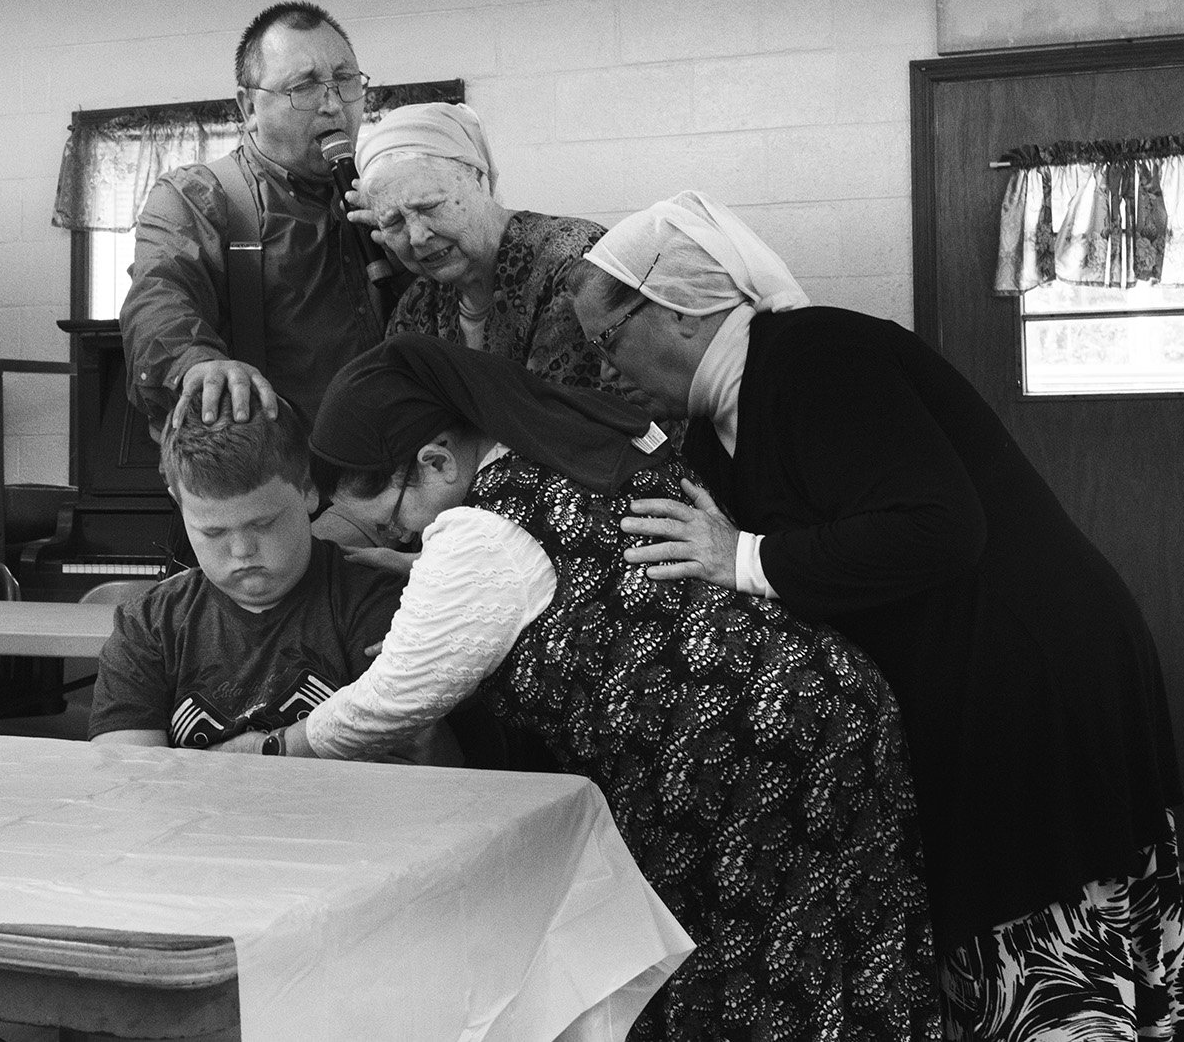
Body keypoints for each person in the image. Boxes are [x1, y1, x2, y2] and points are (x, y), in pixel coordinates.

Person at [572, 191, 1184, 1041]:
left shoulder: (818, 354)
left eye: (606, 341)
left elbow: (939, 527)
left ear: (677, 311)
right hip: (974, 680)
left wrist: (741, 556)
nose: (604, 369)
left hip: (1030, 674)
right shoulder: (718, 423)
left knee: (1053, 965)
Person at [276, 335, 939, 1041]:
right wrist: (422, 574)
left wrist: (273, 746)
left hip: (742, 756)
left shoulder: (478, 534)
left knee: (748, 996)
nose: (405, 537)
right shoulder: (566, 438)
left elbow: (391, 702)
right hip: (831, 701)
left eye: (395, 519)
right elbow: (580, 569)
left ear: (437, 458)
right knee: (851, 972)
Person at [87, 403, 453, 763]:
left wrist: (240, 759)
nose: (242, 550)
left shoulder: (379, 603)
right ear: (179, 505)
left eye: (263, 524)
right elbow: (129, 780)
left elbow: (402, 777)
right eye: (212, 531)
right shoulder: (149, 626)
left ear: (308, 488)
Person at [120, 1, 386, 433]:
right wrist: (196, 364)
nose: (333, 105)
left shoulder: (382, 193)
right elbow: (160, 296)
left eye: (344, 80)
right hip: (273, 479)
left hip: (396, 479)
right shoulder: (196, 198)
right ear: (247, 107)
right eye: (303, 87)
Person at [362, 102, 614, 395]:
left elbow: (570, 420)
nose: (417, 237)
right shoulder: (419, 304)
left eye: (429, 206)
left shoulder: (574, 263)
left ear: (480, 180)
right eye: (393, 222)